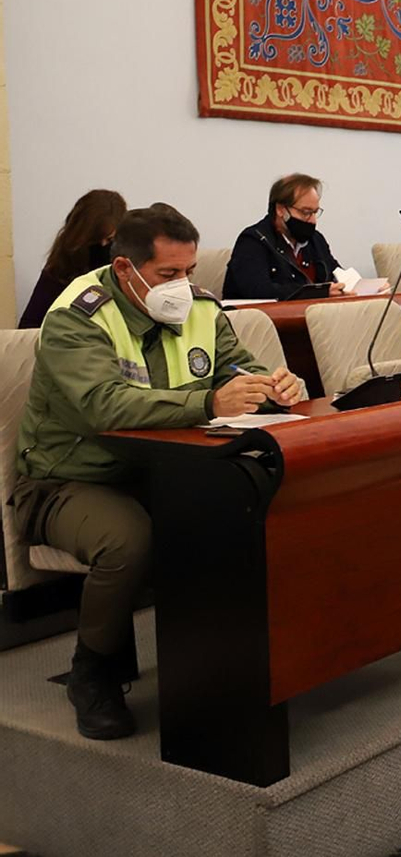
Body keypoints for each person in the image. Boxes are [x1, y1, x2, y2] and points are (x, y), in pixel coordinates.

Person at [14, 204, 300, 740]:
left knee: (242, 510)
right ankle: (91, 672)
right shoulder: (77, 316)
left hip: (166, 467)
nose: (183, 285)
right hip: (69, 478)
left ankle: (222, 670)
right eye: (169, 274)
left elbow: (236, 363)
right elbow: (102, 406)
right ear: (125, 268)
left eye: (190, 272)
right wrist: (208, 403)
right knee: (128, 539)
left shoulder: (199, 308)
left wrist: (267, 385)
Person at [223, 173, 362, 300]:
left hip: (315, 320)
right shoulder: (253, 241)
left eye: (315, 212)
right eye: (306, 212)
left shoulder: (315, 240)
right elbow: (259, 291)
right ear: (281, 210)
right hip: (266, 323)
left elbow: (337, 275)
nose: (313, 220)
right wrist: (317, 292)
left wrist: (365, 288)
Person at [18, 189, 127, 329]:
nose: (103, 245)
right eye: (94, 239)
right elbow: (30, 325)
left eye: (110, 239)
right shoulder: (61, 268)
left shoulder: (125, 266)